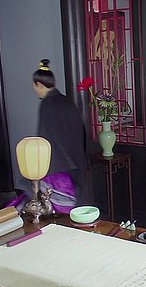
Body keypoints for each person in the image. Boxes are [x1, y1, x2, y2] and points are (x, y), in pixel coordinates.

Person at [11, 59, 88, 214]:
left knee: (52, 209)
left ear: (39, 84)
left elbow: (45, 139)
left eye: (34, 86)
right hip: (75, 162)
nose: (34, 89)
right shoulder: (66, 101)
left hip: (56, 167)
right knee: (74, 208)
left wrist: (39, 167)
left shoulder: (47, 104)